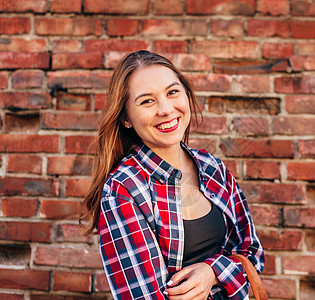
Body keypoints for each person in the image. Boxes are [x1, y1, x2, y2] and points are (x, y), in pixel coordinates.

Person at [80, 50, 264, 300]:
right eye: (147, 101)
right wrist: (225, 278)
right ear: (126, 119)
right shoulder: (124, 189)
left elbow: (251, 253)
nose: (166, 109)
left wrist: (213, 271)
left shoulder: (213, 168)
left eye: (172, 92)